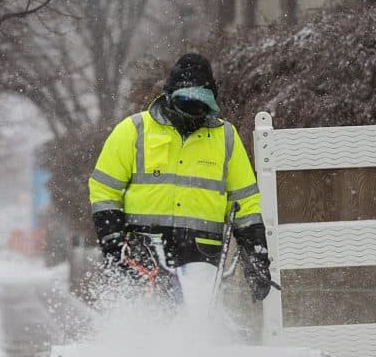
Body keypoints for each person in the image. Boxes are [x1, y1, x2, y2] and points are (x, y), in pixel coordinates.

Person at [88, 53, 271, 302]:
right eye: (185, 101)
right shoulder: (134, 131)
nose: (192, 110)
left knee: (196, 326)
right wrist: (112, 241)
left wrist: (255, 255)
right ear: (169, 96)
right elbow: (104, 189)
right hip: (142, 252)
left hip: (202, 254)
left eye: (200, 104)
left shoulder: (226, 138)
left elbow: (245, 203)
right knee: (146, 323)